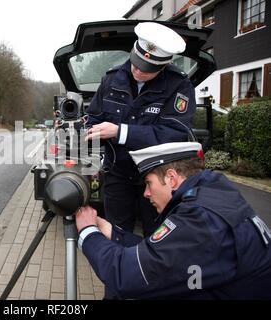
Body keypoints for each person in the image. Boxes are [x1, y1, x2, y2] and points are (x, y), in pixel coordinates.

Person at [75, 142, 271, 299]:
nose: (146, 193)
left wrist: (88, 232)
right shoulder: (214, 194)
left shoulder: (202, 221)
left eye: (149, 183)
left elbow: (125, 276)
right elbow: (162, 254)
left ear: (171, 178)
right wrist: (109, 230)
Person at [85, 22, 196, 237]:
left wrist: (120, 132)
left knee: (157, 236)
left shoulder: (179, 86)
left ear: (163, 66)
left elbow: (174, 133)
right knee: (116, 233)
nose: (137, 70)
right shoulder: (111, 79)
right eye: (136, 63)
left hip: (158, 176)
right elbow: (94, 118)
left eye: (147, 69)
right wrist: (88, 132)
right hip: (117, 174)